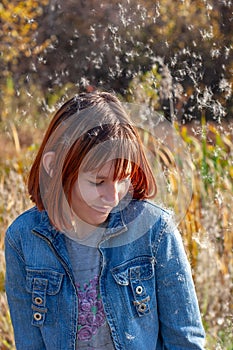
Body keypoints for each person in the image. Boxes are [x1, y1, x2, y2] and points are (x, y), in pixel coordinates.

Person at [5, 91, 205, 349]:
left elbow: (185, 340)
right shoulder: (24, 238)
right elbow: (29, 343)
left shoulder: (155, 230)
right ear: (54, 166)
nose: (113, 196)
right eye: (98, 181)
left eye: (122, 179)